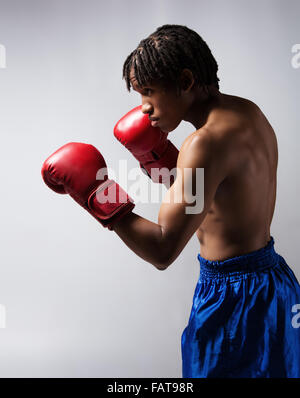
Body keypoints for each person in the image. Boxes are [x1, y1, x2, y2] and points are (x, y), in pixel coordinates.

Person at [42, 24, 300, 378]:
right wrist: (157, 156)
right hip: (275, 283)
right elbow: (207, 196)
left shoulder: (203, 143)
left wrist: (96, 191)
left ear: (186, 81)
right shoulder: (248, 113)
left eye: (148, 92)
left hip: (231, 300)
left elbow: (163, 249)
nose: (144, 107)